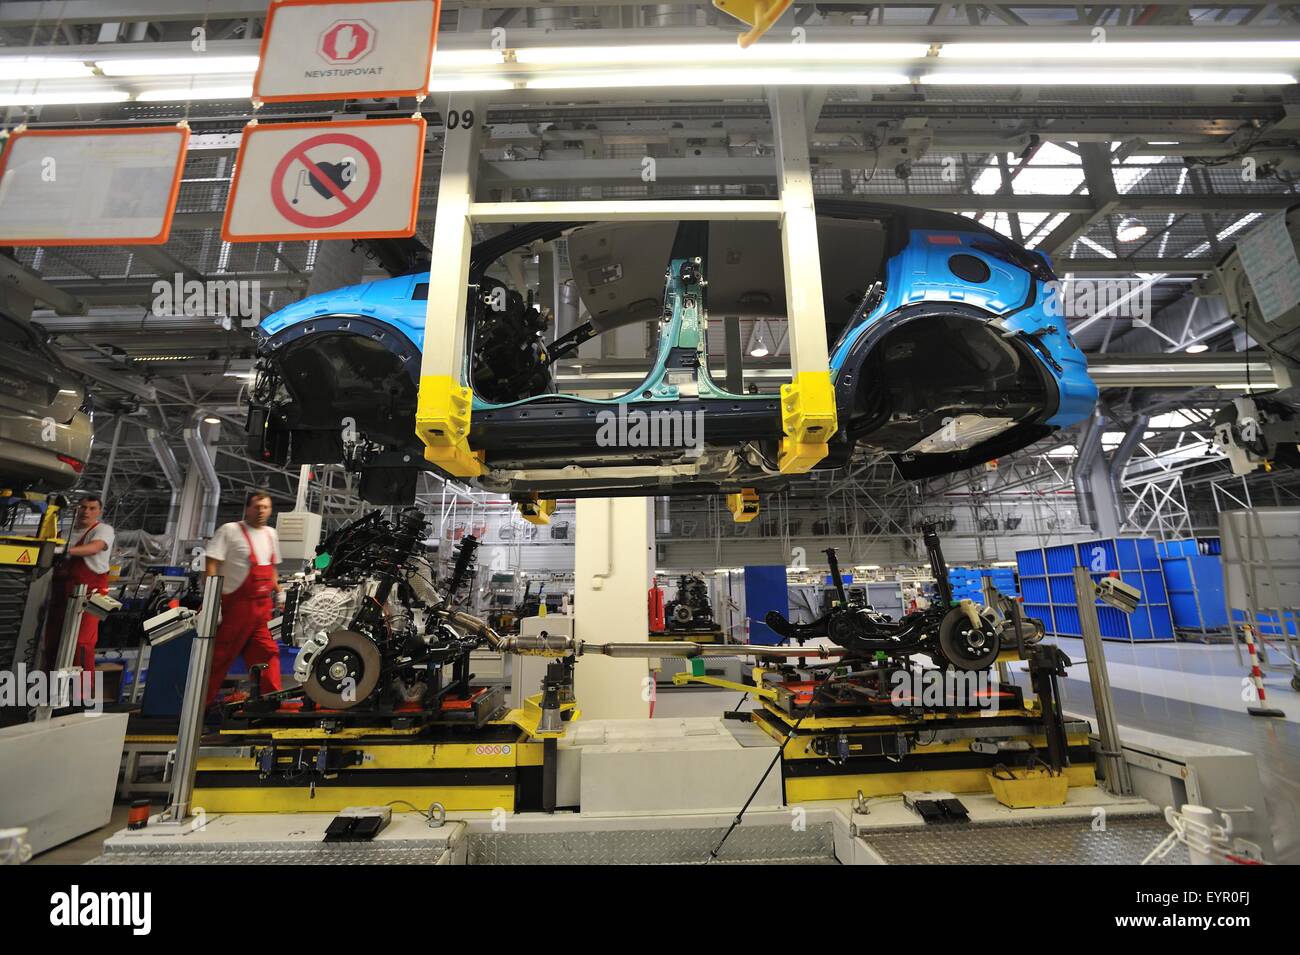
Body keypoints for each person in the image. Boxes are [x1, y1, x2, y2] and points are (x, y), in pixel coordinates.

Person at [204, 490, 283, 707]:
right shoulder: (230, 531)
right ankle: (199, 707)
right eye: (257, 507)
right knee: (220, 659)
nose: (261, 511)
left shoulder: (270, 534)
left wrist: (281, 592)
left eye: (265, 507)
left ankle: (269, 704)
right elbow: (211, 564)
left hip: (262, 609)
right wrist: (213, 601)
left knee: (267, 653)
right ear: (247, 508)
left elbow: (272, 568)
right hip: (235, 609)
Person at [44, 494, 115, 672]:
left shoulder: (103, 530)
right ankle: (46, 689)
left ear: (99, 512)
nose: (86, 512)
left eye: (92, 508)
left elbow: (94, 548)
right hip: (61, 593)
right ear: (77, 509)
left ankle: (84, 696)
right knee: (52, 641)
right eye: (83, 507)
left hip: (93, 594)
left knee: (83, 642)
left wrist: (64, 550)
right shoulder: (65, 532)